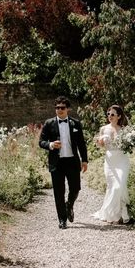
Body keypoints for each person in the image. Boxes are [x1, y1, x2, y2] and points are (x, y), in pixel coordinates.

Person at [39, 96, 88, 229]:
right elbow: (41, 142)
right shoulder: (49, 123)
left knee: (76, 188)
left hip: (72, 161)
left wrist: (84, 160)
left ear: (68, 109)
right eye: (57, 108)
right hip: (57, 163)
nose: (59, 110)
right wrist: (50, 144)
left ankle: (69, 205)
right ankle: (62, 219)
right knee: (58, 192)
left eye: (62, 108)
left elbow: (81, 144)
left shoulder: (75, 123)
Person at [92, 104, 130, 224]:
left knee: (120, 186)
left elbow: (128, 146)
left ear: (119, 116)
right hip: (110, 161)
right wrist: (99, 141)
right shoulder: (104, 129)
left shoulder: (125, 130)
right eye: (108, 114)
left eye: (112, 114)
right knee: (112, 186)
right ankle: (113, 214)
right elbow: (100, 145)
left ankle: (121, 212)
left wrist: (130, 142)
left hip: (122, 160)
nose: (110, 116)